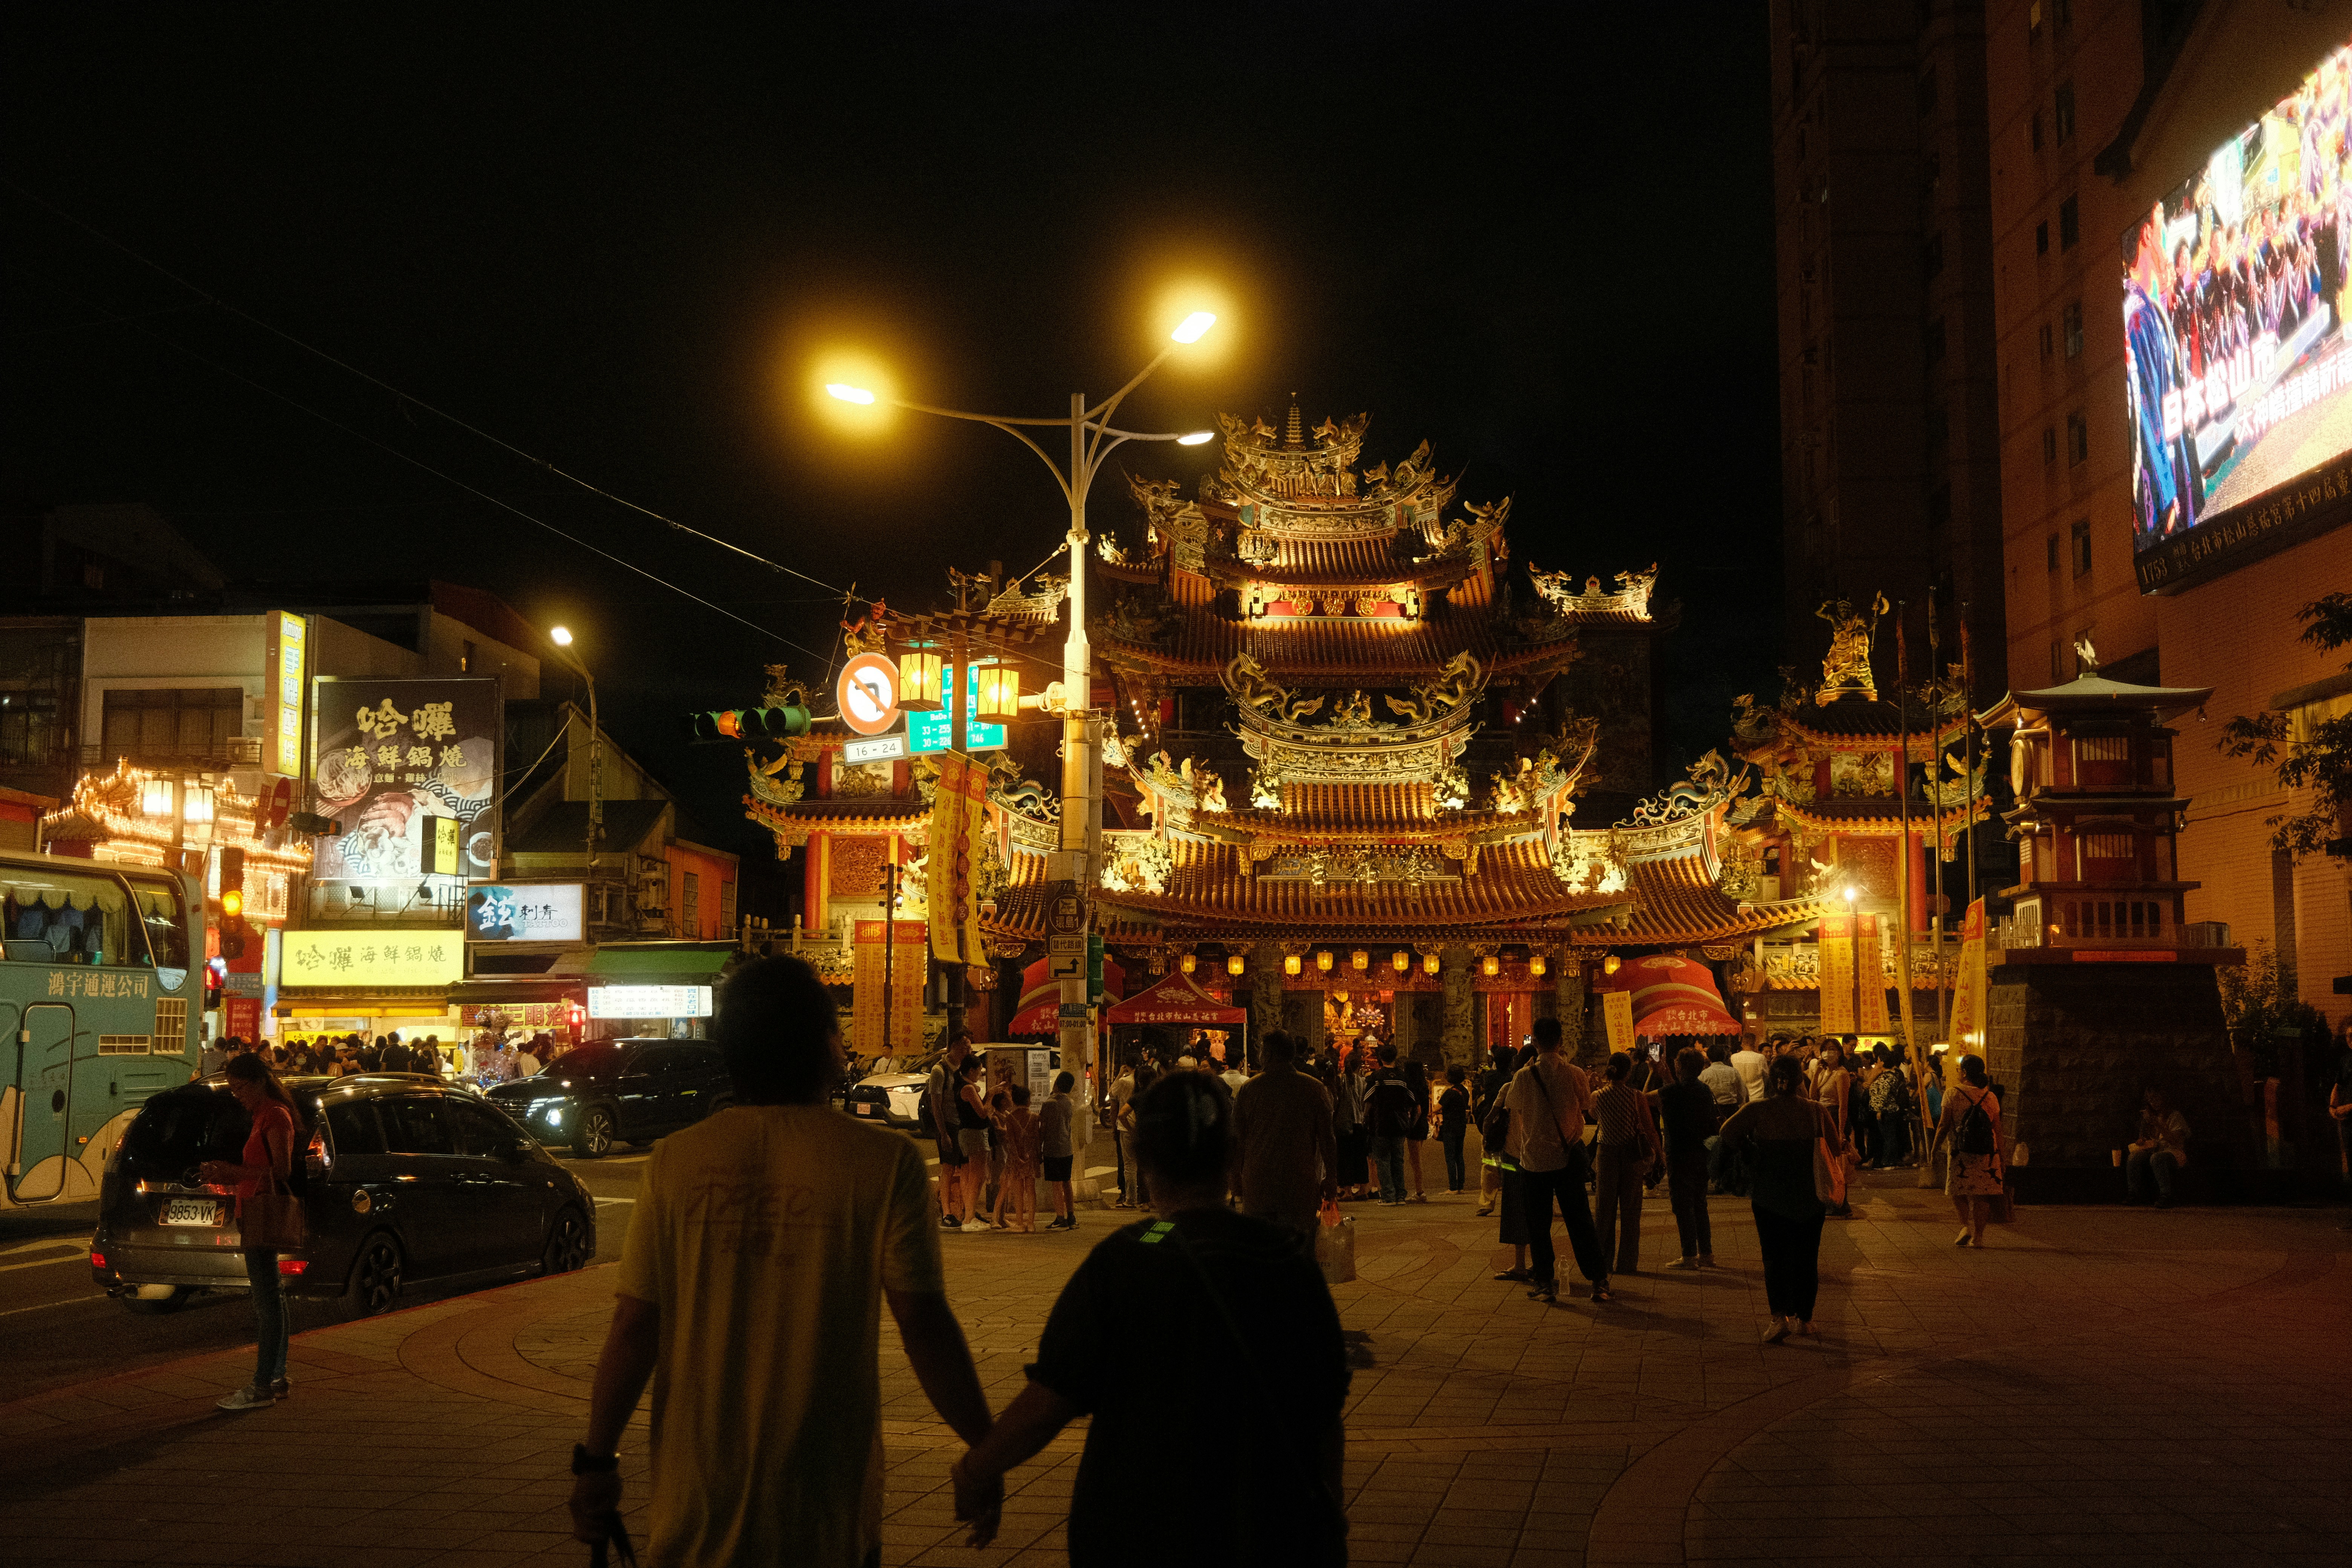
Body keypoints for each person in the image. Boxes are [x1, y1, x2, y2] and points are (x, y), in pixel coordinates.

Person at [568, 956, 995, 1567]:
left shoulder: (676, 1163)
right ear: (826, 1045)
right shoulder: (881, 1164)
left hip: (694, 1512)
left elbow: (635, 1329)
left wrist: (597, 1463)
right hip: (823, 1511)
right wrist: (984, 1450)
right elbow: (925, 1329)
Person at [948, 1073, 1349, 1567]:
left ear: (1142, 1158)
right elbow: (1324, 1413)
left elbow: (1052, 1400)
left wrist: (977, 1469)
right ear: (1231, 1157)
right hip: (1268, 1530)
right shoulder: (1286, 1261)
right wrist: (1331, 1511)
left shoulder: (1127, 1259)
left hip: (1138, 1528)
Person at [200, 1053, 300, 1410]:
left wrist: (233, 1173)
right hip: (252, 1211)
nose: (237, 1095)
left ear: (259, 1082)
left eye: (240, 1087)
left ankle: (262, 1386)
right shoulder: (262, 1114)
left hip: (262, 1214)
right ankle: (276, 1376)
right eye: (232, 1090)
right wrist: (226, 1175)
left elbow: (282, 1172)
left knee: (267, 1301)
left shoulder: (275, 1115)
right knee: (272, 1298)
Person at [1718, 1055, 1843, 1342]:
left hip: (1769, 1195)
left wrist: (1750, 1149)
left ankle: (1779, 1318)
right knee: (1806, 1257)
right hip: (1809, 1196)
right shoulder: (1816, 1111)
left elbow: (1727, 1133)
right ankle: (1805, 1318)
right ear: (1800, 1079)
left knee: (1774, 1257)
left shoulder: (1757, 1110)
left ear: (1771, 1080)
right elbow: (1836, 1147)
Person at [1509, 1017, 1610, 1305]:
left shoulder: (1523, 1077)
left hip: (1534, 1160)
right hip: (1568, 1157)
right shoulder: (1576, 1074)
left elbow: (1515, 1110)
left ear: (1536, 1043)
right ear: (1562, 1041)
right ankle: (1598, 1281)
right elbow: (1587, 1106)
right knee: (1580, 1221)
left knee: (1538, 1225)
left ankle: (1545, 1283)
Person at [1230, 1030, 1338, 1259]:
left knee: (1261, 1253)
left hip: (1259, 1183)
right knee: (1301, 1252)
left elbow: (1237, 1140)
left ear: (1267, 1055)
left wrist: (1235, 1177)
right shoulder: (1313, 1088)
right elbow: (1327, 1138)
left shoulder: (1250, 1090)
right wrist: (1331, 1177)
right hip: (1300, 1183)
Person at [1589, 1051, 1661, 1279]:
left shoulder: (1597, 1096)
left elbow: (1593, 1115)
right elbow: (1649, 1128)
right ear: (1628, 1073)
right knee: (1631, 1210)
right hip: (1631, 1154)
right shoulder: (1636, 1096)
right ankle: (1627, 1263)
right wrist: (1660, 1153)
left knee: (1604, 1210)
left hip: (1606, 1153)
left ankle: (1603, 1260)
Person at [1658, 1045, 1720, 1269]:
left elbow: (1651, 1100)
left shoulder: (1669, 1092)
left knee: (1683, 1205)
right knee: (1700, 1203)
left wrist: (1658, 1075)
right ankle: (1707, 1253)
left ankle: (1689, 1256)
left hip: (1679, 1153)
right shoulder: (1705, 1090)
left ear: (1680, 1066)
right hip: (1701, 1152)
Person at [1938, 1053, 2007, 1246]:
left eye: (1960, 1069)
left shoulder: (1952, 1093)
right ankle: (1979, 1237)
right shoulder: (1990, 1096)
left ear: (1965, 1072)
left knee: (1958, 1191)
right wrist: (2002, 1157)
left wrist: (1934, 1148)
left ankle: (1965, 1226)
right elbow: (1998, 1130)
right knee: (1982, 1195)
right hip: (1987, 1152)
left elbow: (1943, 1125)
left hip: (1960, 1152)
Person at [926, 1033, 973, 1229]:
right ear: (954, 1046)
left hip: (961, 1125)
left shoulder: (961, 1070)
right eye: (965, 1048)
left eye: (969, 1048)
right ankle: (946, 1213)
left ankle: (967, 1210)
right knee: (947, 1168)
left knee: (965, 1168)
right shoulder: (939, 1070)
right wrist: (943, 1133)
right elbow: (935, 1104)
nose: (968, 1052)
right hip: (947, 1125)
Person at [2125, 1086, 2191, 1208]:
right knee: (2134, 1157)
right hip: (2156, 1151)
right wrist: (2142, 1141)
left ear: (2164, 1099)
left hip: (2175, 1154)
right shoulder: (2149, 1118)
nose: (2154, 1103)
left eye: (2157, 1099)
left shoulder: (2175, 1117)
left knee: (2157, 1158)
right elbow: (2150, 1140)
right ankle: (2134, 1194)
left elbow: (2175, 1141)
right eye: (2151, 1100)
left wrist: (2158, 1124)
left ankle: (2166, 1195)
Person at [1364, 1042, 1414, 1205]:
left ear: (1380, 1058)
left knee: (1383, 1160)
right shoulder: (1403, 1077)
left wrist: (1366, 1121)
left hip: (1381, 1124)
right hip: (1400, 1125)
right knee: (1398, 1160)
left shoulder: (1376, 1078)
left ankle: (1388, 1195)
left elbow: (1368, 1103)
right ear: (1396, 1057)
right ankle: (1401, 1195)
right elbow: (1412, 1101)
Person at [1472, 1043, 1516, 1217]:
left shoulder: (1489, 1077)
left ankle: (1487, 1202)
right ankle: (1512, 1201)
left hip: (1492, 1123)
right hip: (1509, 1123)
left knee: (1489, 1162)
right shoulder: (1514, 1078)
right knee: (1511, 1162)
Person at [991, 1084, 1042, 1233]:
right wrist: (1038, 1155)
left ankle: (1020, 1223)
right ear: (1028, 1100)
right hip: (1031, 1158)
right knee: (1031, 1191)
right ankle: (1031, 1223)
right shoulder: (1034, 1117)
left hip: (1016, 1159)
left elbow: (1011, 1141)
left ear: (1014, 1101)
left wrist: (1017, 1157)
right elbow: (1038, 1140)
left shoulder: (1010, 1118)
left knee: (1018, 1191)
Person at [1811, 1039, 1854, 1217]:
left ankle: (1843, 1203)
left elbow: (1843, 1105)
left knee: (1837, 1165)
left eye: (1833, 1049)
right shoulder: (1822, 1072)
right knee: (1826, 1164)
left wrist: (1841, 1130)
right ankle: (1831, 1200)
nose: (1829, 1053)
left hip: (1834, 1117)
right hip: (1821, 1117)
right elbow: (1813, 1096)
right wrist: (1816, 1074)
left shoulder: (1841, 1074)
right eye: (1826, 1050)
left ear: (1839, 1053)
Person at [954, 1055, 994, 1231]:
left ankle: (969, 1217)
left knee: (972, 1176)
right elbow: (983, 1113)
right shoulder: (968, 1088)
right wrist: (992, 1095)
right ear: (971, 1070)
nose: (980, 1074)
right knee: (978, 1177)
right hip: (974, 1134)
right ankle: (969, 1218)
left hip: (968, 1133)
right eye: (979, 1071)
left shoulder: (964, 1086)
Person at [1039, 1070, 1081, 1231]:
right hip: (1066, 1148)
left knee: (1056, 1185)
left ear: (1056, 1083)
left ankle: (1060, 1217)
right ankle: (1072, 1217)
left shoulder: (1049, 1104)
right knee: (1067, 1182)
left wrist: (1038, 1148)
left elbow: (1043, 1129)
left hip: (1053, 1148)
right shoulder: (1069, 1102)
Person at [1116, 1063, 1158, 1210]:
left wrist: (1131, 1129)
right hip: (1157, 1135)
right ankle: (1155, 1200)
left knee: (1136, 1167)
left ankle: (1139, 1200)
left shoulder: (1138, 1097)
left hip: (1141, 1133)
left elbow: (1121, 1114)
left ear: (1140, 1081)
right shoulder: (1160, 1097)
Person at [1333, 1049, 1370, 1200]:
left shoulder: (1341, 1081)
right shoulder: (1363, 1082)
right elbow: (1365, 1101)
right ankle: (1363, 1190)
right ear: (1359, 1066)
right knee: (1361, 1157)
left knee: (1345, 1157)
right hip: (1359, 1122)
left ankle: (1348, 1191)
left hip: (1344, 1123)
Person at [1436, 1065, 1470, 1194]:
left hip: (1450, 1127)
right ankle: (1460, 1186)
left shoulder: (1450, 1092)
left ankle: (1453, 1187)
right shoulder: (1465, 1091)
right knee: (1459, 1156)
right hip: (1462, 1126)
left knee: (1450, 1157)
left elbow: (1436, 1108)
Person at [1401, 1058, 1432, 1202]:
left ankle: (1420, 1192)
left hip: (1416, 1125)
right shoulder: (1424, 1086)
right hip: (1423, 1124)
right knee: (1416, 1158)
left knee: (1415, 1160)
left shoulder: (1412, 1087)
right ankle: (1420, 1191)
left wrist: (1411, 1125)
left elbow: (1418, 1110)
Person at [1107, 1058, 1137, 1202]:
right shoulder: (1141, 1080)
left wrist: (1119, 1074)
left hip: (1126, 1126)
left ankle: (1128, 1196)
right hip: (1139, 1126)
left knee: (1127, 1163)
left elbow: (1111, 1094)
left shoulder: (1125, 1081)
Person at [1699, 1039, 1743, 1111]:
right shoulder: (1733, 1071)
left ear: (1709, 1057)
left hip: (1713, 1109)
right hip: (1732, 1108)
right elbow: (1741, 1093)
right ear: (1724, 1057)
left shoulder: (1704, 1074)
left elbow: (1701, 1095)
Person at [1730, 1034, 1770, 1104]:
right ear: (1755, 1043)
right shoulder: (1760, 1058)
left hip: (1740, 1096)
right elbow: (1767, 1075)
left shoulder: (1734, 1057)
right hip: (1757, 1096)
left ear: (1742, 1044)